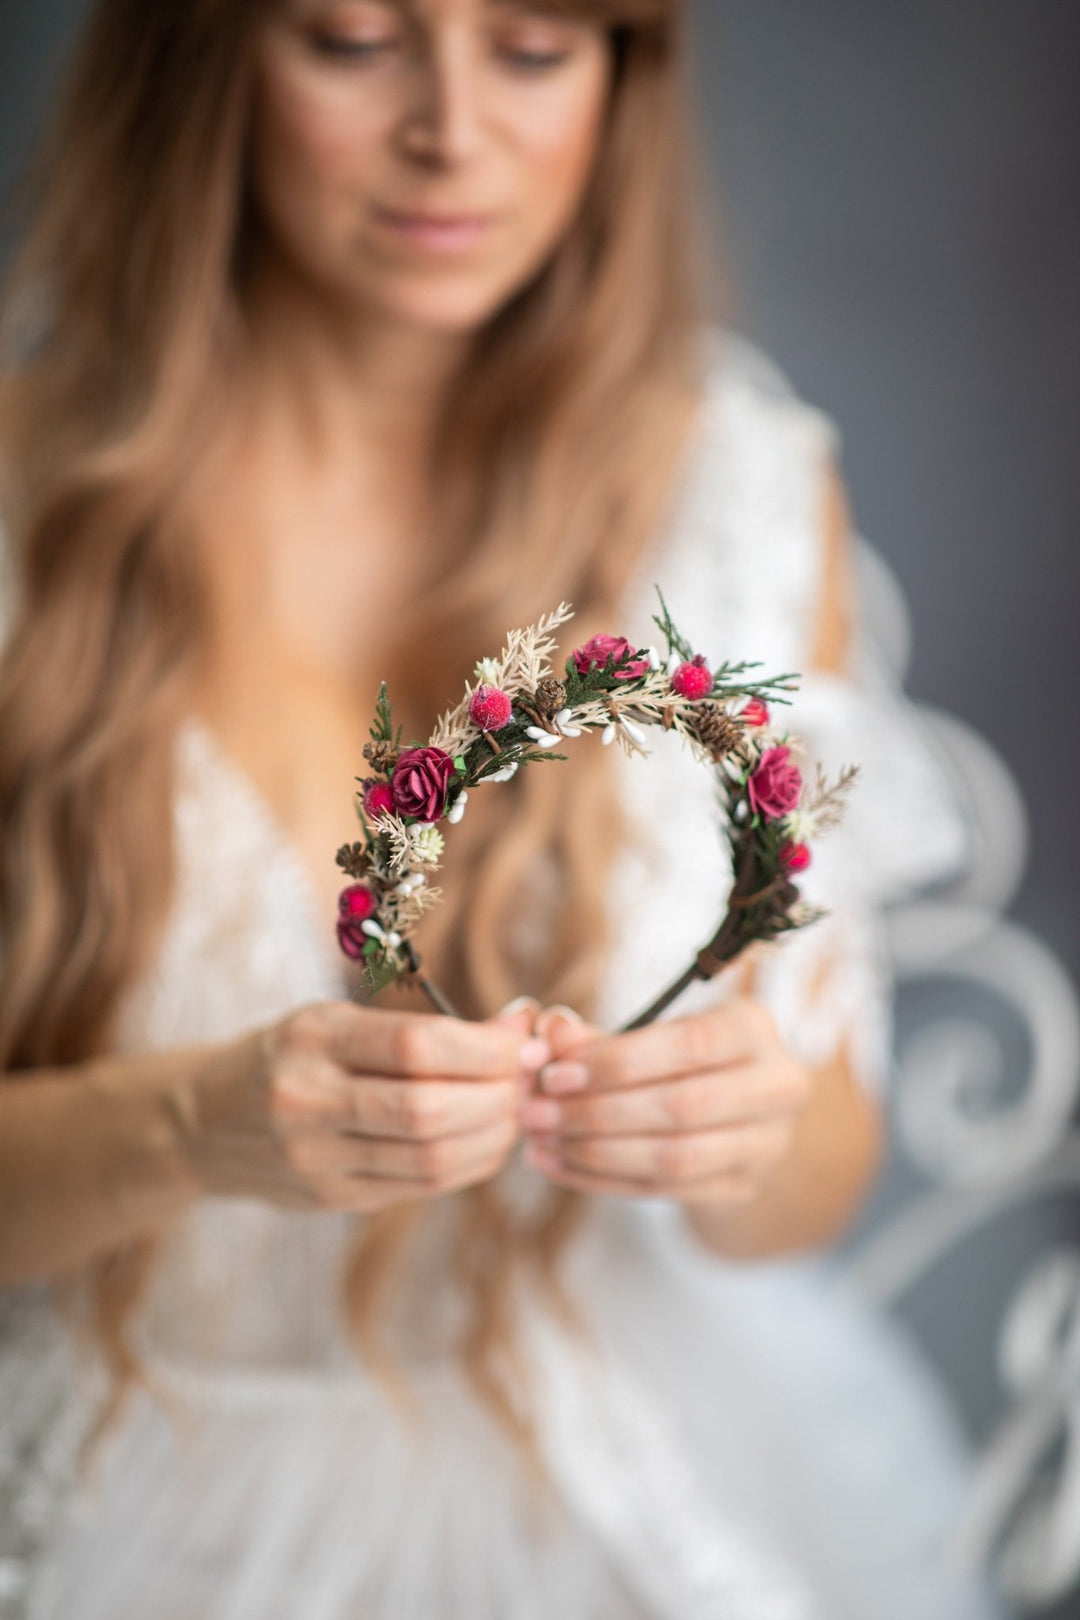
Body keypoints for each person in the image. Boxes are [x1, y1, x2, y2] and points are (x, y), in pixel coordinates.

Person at [0, 1, 1011, 1616]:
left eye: (534, 50)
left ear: (624, 78)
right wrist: (187, 1123)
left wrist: (725, 1136)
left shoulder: (730, 486)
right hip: (123, 1481)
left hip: (623, 1464)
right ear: (200, 59)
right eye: (350, 40)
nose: (453, 132)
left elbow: (814, 1173)